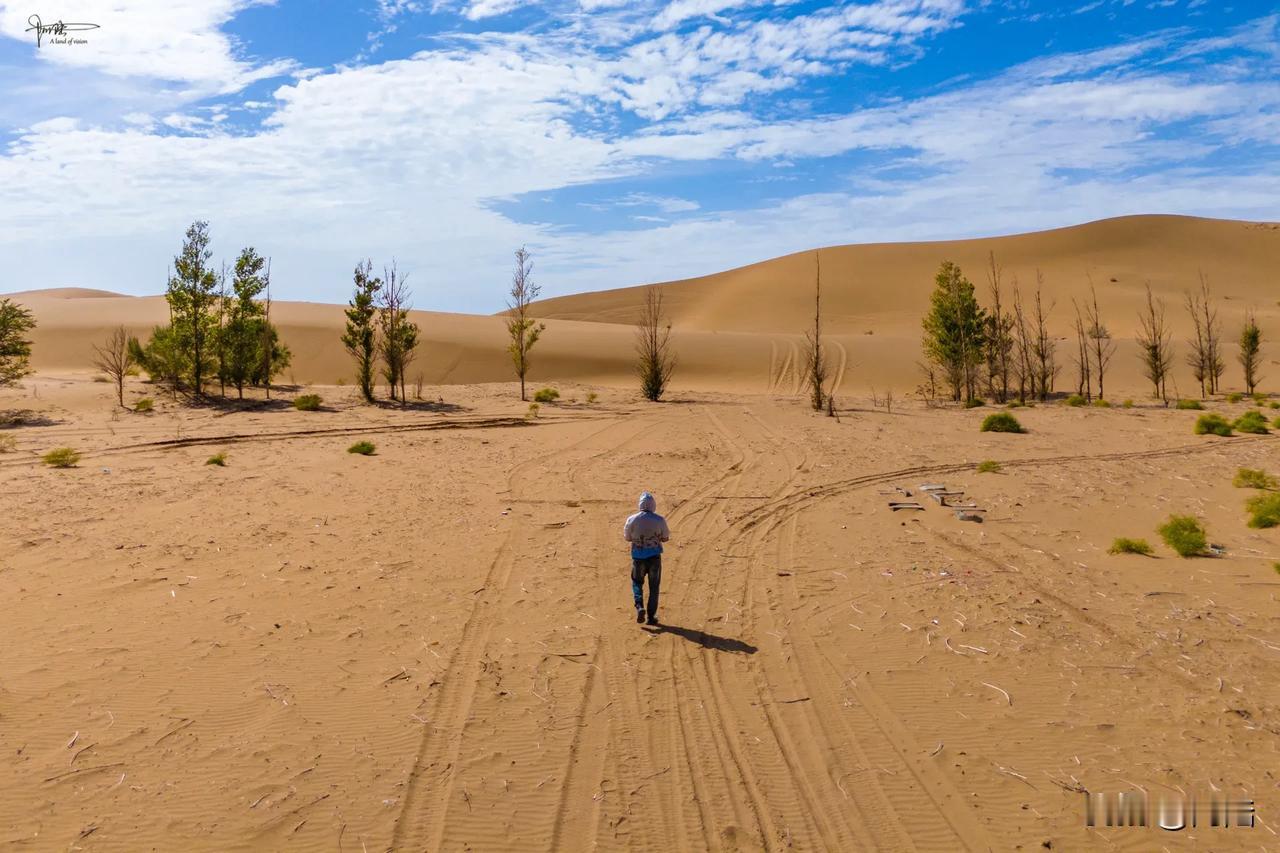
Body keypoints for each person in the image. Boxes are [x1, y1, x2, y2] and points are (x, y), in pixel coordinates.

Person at [624, 491, 670, 625]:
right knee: (654, 587)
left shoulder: (632, 519)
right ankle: (651, 617)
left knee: (637, 582)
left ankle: (639, 606)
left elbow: (627, 537)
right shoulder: (659, 519)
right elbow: (665, 537)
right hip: (654, 558)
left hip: (638, 557)